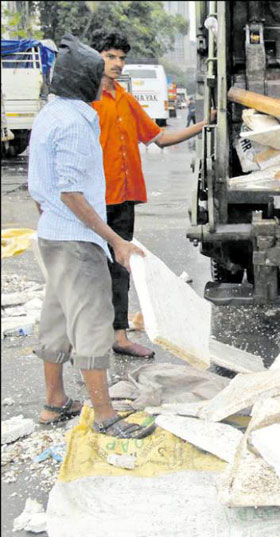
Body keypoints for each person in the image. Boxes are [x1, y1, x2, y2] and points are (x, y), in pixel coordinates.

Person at [27, 35, 154, 438]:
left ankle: (55, 403)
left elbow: (42, 187)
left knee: (57, 318)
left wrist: (51, 219)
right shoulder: (79, 120)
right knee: (93, 324)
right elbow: (70, 190)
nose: (106, 78)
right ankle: (105, 416)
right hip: (77, 240)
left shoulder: (49, 114)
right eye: (99, 73)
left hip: (51, 234)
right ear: (82, 79)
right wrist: (115, 240)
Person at [90, 30, 214, 358]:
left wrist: (204, 124)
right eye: (110, 56)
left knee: (119, 268)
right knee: (88, 269)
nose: (117, 64)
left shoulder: (126, 100)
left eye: (121, 58)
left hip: (123, 197)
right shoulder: (85, 100)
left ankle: (117, 334)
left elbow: (158, 138)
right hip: (91, 200)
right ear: (95, 56)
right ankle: (89, 336)